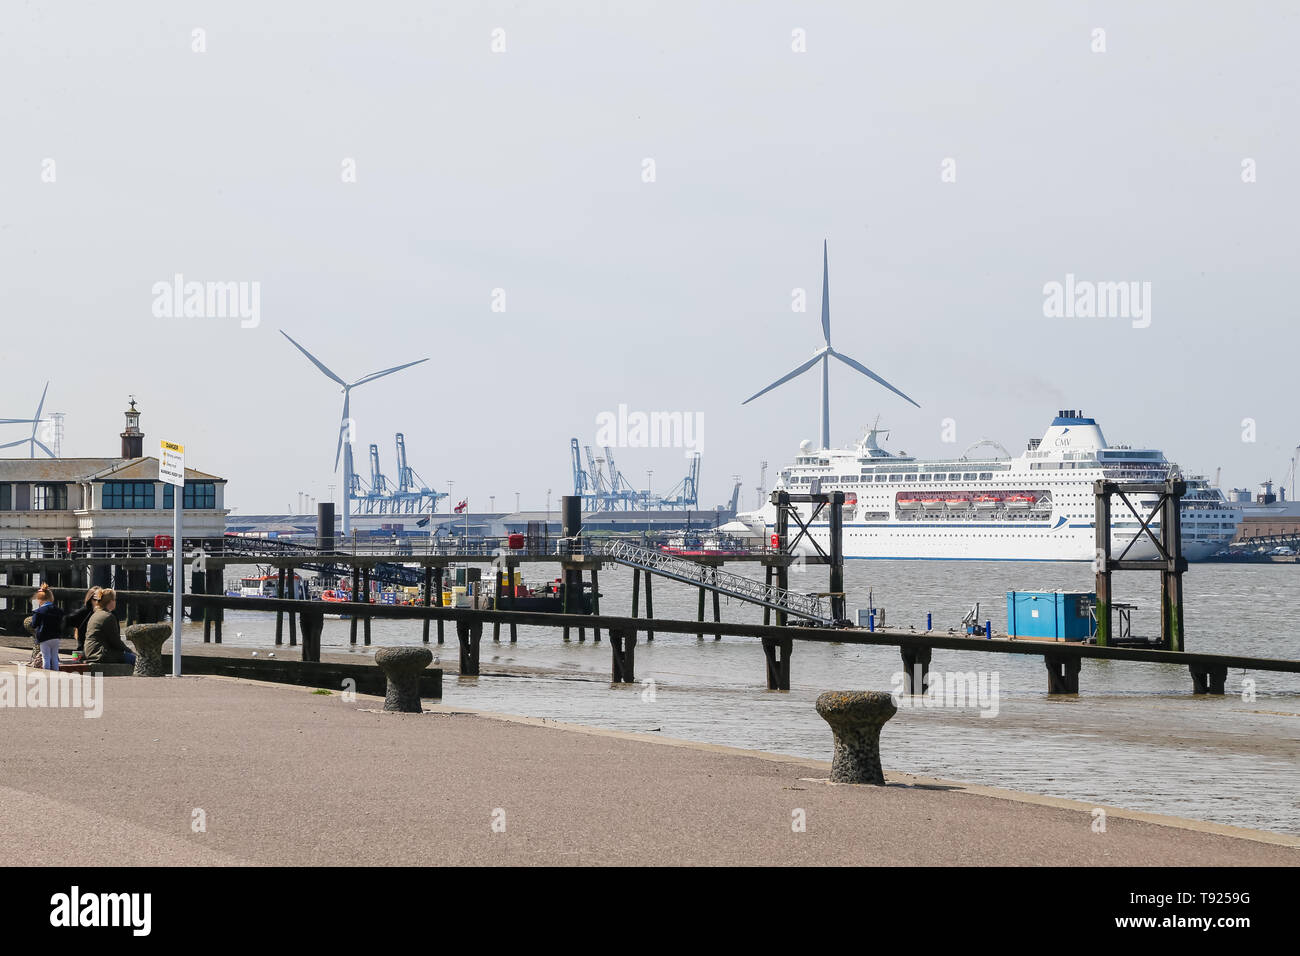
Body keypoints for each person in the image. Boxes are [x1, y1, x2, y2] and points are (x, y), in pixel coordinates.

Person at [83, 588, 135, 668]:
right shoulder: (108, 616)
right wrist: (130, 651)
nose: (115, 602)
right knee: (136, 659)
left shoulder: (95, 615)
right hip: (101, 654)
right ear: (110, 602)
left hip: (90, 652)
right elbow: (115, 641)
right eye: (114, 600)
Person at [30, 584, 65, 671]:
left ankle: (47, 674)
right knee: (54, 657)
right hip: (56, 637)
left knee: (46, 657)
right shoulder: (59, 610)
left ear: (39, 600)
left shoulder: (39, 611)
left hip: (44, 637)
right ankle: (56, 672)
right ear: (51, 597)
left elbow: (34, 624)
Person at [64, 586, 102, 660]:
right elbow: (65, 621)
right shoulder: (82, 612)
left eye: (101, 599)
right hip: (81, 650)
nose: (98, 602)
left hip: (97, 651)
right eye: (95, 599)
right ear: (90, 599)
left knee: (96, 671)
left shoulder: (106, 613)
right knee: (78, 669)